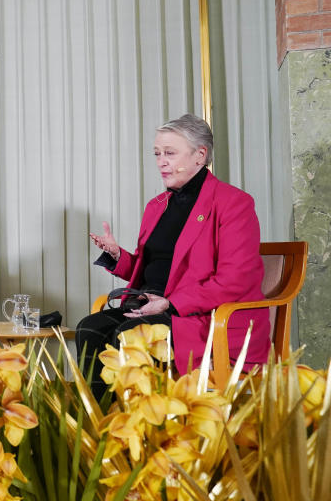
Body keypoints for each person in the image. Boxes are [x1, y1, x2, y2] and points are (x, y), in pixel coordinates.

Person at [75, 114, 269, 397]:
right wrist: (118, 256)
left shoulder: (234, 204)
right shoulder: (157, 206)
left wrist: (170, 303)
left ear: (199, 155)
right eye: (157, 153)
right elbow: (152, 267)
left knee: (129, 336)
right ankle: (101, 426)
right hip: (150, 304)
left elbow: (235, 280)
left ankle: (144, 427)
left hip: (196, 317)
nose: (160, 161)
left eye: (169, 153)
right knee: (89, 328)